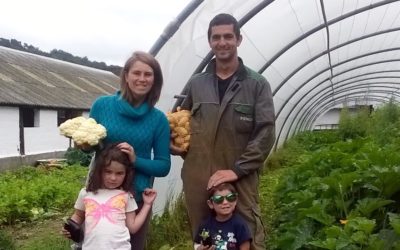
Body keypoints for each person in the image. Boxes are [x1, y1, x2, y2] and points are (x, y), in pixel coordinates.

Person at [170, 13, 275, 250]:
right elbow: (181, 119)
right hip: (199, 177)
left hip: (240, 177)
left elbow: (265, 133)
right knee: (204, 238)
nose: (222, 42)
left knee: (246, 236)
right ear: (210, 42)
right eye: (216, 37)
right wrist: (176, 144)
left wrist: (237, 170)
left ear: (239, 40)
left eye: (228, 36)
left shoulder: (256, 84)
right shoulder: (197, 83)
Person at [89, 51, 171, 249]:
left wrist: (136, 160)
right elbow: (89, 147)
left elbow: (163, 166)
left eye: (148, 74)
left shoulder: (158, 119)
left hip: (133, 199)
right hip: (100, 194)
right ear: (126, 76)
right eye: (136, 73)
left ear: (155, 80)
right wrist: (82, 144)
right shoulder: (102, 106)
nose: (142, 79)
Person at [62, 143, 157, 250]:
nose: (113, 178)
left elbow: (133, 227)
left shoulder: (126, 196)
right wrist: (70, 227)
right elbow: (79, 215)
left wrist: (147, 204)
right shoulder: (86, 193)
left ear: (126, 174)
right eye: (108, 171)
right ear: (99, 171)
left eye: (119, 173)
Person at [194, 183, 251, 250]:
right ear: (210, 204)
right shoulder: (205, 225)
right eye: (218, 199)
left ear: (235, 201)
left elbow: (245, 247)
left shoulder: (240, 224)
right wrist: (198, 248)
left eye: (230, 197)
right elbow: (196, 243)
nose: (225, 202)